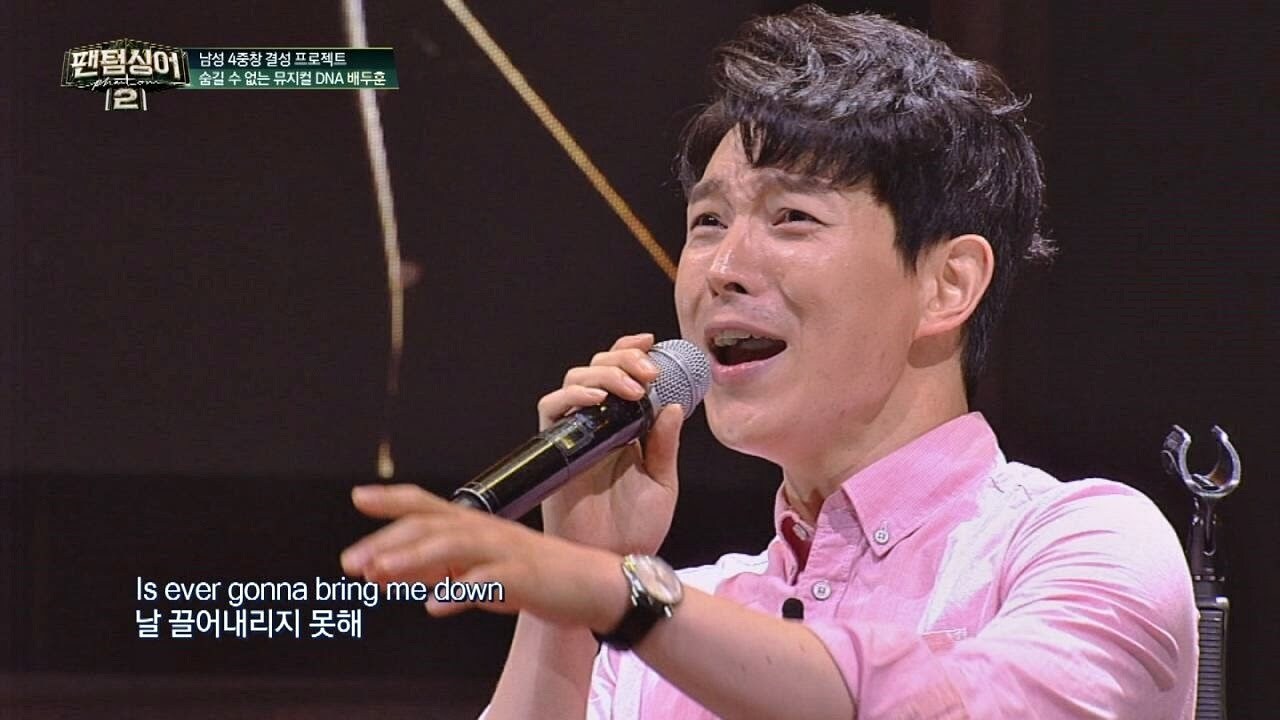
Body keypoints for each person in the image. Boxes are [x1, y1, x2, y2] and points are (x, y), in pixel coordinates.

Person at [341, 6, 1198, 718]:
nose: (722, 267)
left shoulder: (1078, 545)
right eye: (708, 222)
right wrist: (567, 602)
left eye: (792, 218)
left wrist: (620, 597)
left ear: (948, 284)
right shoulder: (680, 617)